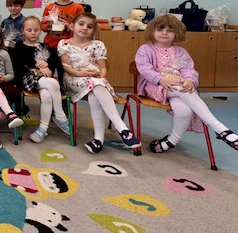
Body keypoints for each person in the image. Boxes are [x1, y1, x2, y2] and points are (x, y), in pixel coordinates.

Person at [135, 15, 238, 152]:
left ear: (177, 33)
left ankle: (171, 141)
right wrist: (161, 79)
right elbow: (144, 69)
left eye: (170, 30)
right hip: (154, 86)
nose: (164, 33)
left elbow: (189, 69)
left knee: (185, 110)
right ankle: (220, 129)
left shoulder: (180, 51)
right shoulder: (145, 49)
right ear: (152, 31)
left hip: (177, 88)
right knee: (181, 89)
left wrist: (190, 80)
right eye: (160, 29)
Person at [58, 13, 140, 153]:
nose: (85, 28)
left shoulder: (97, 45)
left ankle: (98, 140)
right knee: (95, 85)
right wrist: (82, 74)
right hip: (74, 79)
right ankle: (122, 128)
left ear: (93, 30)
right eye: (81, 24)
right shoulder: (64, 44)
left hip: (95, 81)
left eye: (89, 26)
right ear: (72, 26)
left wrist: (100, 77)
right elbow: (67, 67)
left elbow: (102, 68)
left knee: (94, 95)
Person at [13, 16, 70, 143]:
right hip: (27, 79)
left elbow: (51, 66)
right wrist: (36, 70)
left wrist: (47, 65)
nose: (33, 33)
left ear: (40, 30)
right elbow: (18, 68)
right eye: (29, 30)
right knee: (53, 82)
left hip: (43, 81)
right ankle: (60, 115)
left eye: (36, 30)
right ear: (23, 31)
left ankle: (42, 129)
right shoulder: (19, 47)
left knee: (46, 96)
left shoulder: (45, 47)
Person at [41, 0, 84, 83]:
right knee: (48, 72)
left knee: (65, 73)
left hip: (68, 47)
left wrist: (71, 27)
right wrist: (48, 27)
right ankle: (48, 92)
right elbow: (42, 26)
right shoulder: (49, 7)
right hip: (50, 45)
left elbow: (81, 27)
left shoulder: (78, 8)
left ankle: (64, 93)